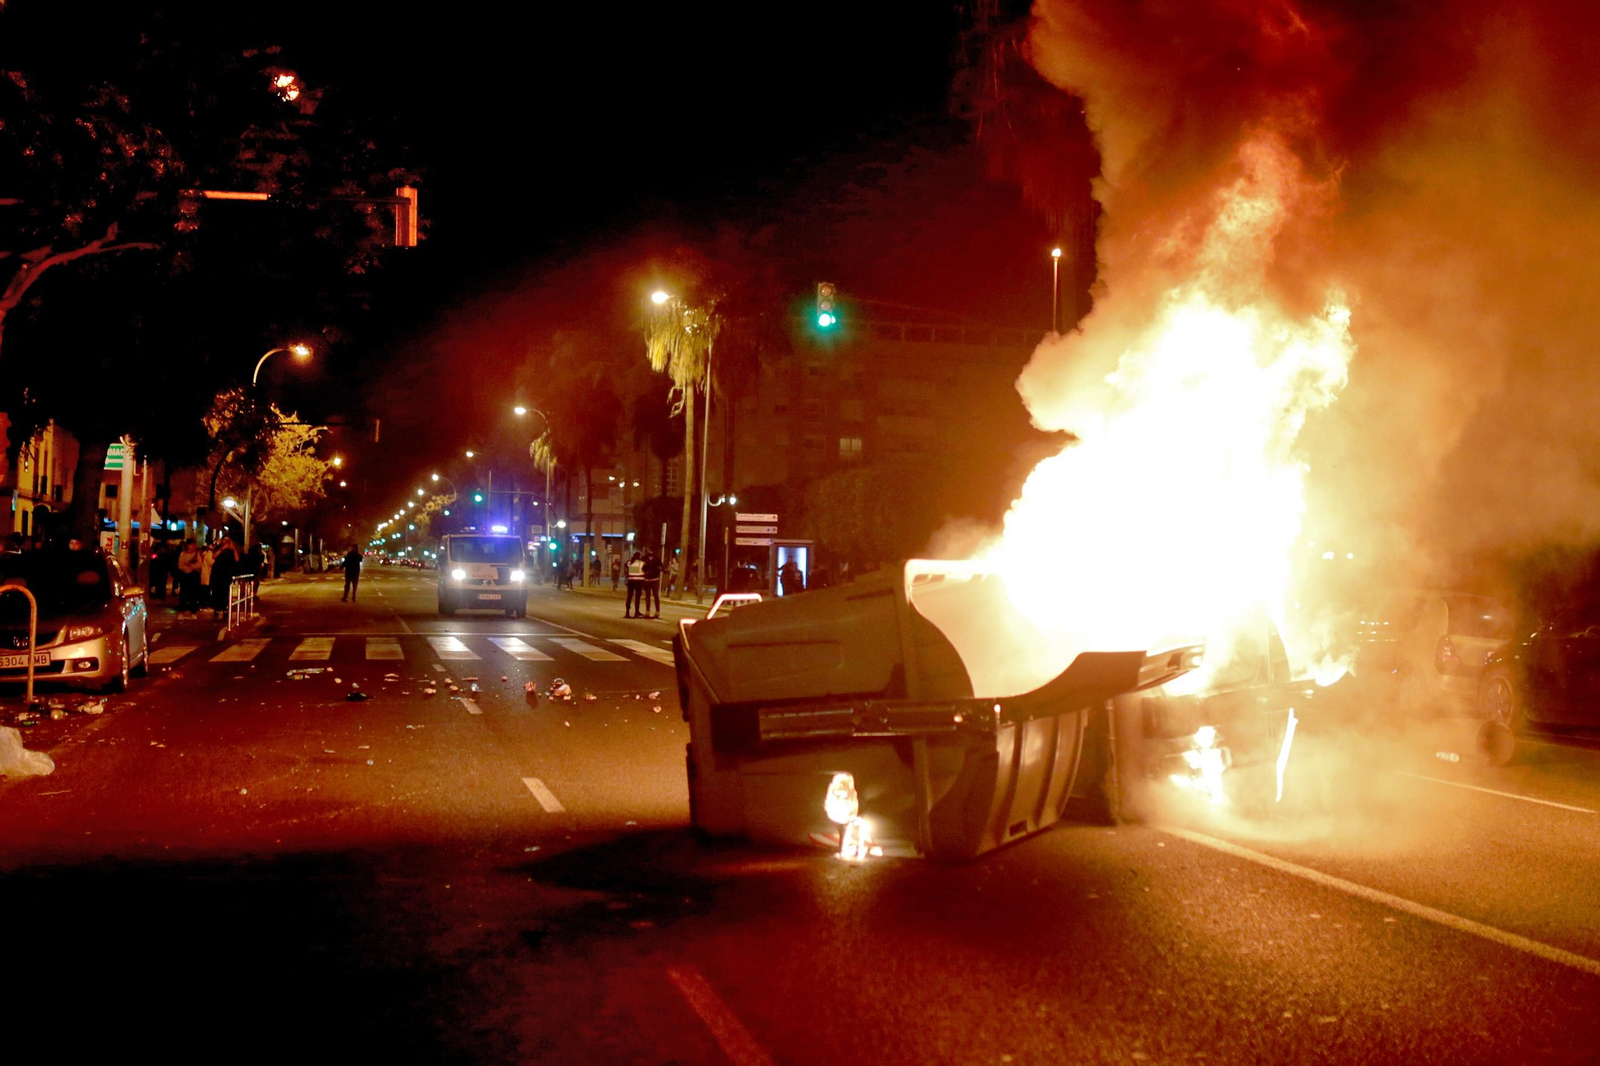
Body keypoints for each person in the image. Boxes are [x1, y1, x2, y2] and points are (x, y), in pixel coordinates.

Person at [211, 537, 238, 617]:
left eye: (228, 540)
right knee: (216, 590)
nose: (226, 542)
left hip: (227, 573)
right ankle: (216, 608)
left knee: (225, 591)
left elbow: (237, 559)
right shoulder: (219, 548)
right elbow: (214, 556)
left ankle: (225, 608)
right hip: (217, 572)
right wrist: (223, 548)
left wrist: (233, 549)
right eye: (225, 540)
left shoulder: (232, 550)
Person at [177, 539, 201, 611]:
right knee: (184, 591)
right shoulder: (183, 554)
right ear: (188, 545)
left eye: (194, 545)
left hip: (193, 576)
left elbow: (200, 564)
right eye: (192, 545)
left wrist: (191, 566)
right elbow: (180, 565)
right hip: (184, 575)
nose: (193, 546)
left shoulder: (197, 554)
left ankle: (193, 606)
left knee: (194, 592)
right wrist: (187, 569)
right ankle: (183, 605)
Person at [624, 552, 645, 618]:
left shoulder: (629, 562)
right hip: (638, 582)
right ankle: (636, 612)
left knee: (629, 597)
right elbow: (645, 569)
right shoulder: (641, 563)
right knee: (637, 598)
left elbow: (625, 565)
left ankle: (627, 612)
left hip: (630, 581)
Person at [642, 550, 663, 618]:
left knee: (655, 595)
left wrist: (659, 569)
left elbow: (662, 566)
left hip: (655, 579)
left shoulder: (657, 558)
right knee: (647, 596)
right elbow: (641, 567)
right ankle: (647, 611)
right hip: (647, 579)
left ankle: (657, 611)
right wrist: (644, 572)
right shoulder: (644, 558)